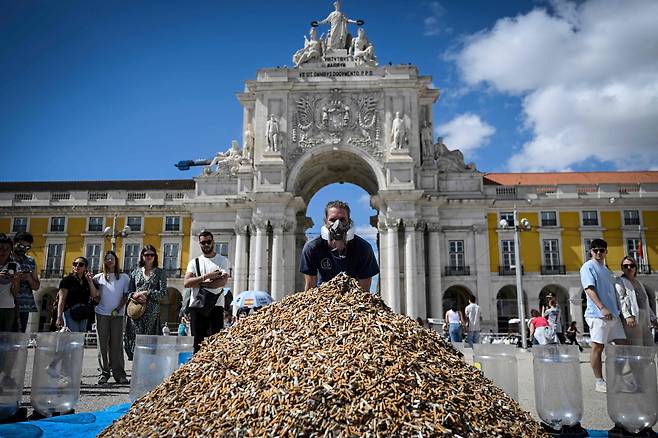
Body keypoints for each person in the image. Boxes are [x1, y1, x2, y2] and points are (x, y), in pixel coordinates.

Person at [300, 200, 379, 291]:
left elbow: (365, 292)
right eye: (332, 220)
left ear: (349, 222)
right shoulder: (312, 248)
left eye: (342, 220)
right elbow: (310, 289)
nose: (337, 224)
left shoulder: (364, 249)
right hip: (322, 299)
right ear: (325, 222)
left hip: (353, 300)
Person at [580, 238, 626, 393]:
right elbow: (589, 289)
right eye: (595, 250)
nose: (598, 252)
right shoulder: (588, 267)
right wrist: (602, 307)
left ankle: (618, 379)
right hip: (597, 314)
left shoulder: (606, 270)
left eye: (601, 250)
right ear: (591, 251)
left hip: (613, 315)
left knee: (622, 346)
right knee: (597, 347)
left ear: (606, 251)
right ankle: (599, 381)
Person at [183, 231, 230, 353]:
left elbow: (221, 282)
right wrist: (207, 276)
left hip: (216, 306)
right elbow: (187, 283)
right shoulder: (194, 262)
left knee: (215, 342)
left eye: (209, 241)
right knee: (197, 342)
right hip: (197, 306)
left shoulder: (222, 260)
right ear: (199, 244)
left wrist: (200, 283)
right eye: (203, 242)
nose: (206, 244)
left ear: (213, 242)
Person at [124, 245, 167, 361]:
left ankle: (149, 371)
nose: (149, 257)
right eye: (146, 255)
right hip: (136, 312)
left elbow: (162, 293)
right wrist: (134, 295)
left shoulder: (160, 273)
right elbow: (129, 292)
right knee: (136, 341)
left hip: (151, 314)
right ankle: (136, 371)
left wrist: (147, 293)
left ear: (155, 256)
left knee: (150, 344)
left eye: (151, 254)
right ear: (142, 256)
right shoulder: (135, 272)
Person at [93, 251, 130, 385]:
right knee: (102, 345)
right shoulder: (98, 278)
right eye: (107, 259)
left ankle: (119, 374)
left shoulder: (124, 278)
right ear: (104, 261)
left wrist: (118, 309)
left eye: (112, 258)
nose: (110, 261)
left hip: (117, 315)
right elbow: (94, 294)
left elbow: (125, 296)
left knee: (117, 344)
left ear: (116, 260)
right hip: (101, 314)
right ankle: (104, 373)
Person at [615, 256, 657, 346]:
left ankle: (647, 361)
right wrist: (627, 316)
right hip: (632, 319)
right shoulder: (620, 281)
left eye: (632, 265)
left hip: (644, 319)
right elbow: (620, 300)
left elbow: (645, 302)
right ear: (622, 268)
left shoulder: (639, 283)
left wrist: (653, 318)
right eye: (625, 266)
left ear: (635, 267)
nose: (629, 268)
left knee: (650, 346)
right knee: (637, 347)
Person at [56, 256, 98, 332]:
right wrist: (59, 317)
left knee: (81, 338)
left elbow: (94, 295)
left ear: (85, 268)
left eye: (81, 264)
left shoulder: (87, 281)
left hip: (83, 313)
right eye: (75, 264)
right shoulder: (67, 280)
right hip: (70, 312)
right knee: (73, 336)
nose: (77, 266)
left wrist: (90, 282)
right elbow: (61, 300)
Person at [12, 232, 40, 333]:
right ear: (14, 243)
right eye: (21, 245)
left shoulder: (30, 261)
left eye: (28, 247)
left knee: (18, 336)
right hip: (7, 304)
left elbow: (36, 286)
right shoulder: (5, 258)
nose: (24, 248)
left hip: (24, 305)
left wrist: (29, 278)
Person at [0, 234, 20, 332]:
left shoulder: (14, 266)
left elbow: (15, 293)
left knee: (6, 339)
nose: (3, 251)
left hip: (8, 308)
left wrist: (15, 282)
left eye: (7, 248)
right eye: (1, 248)